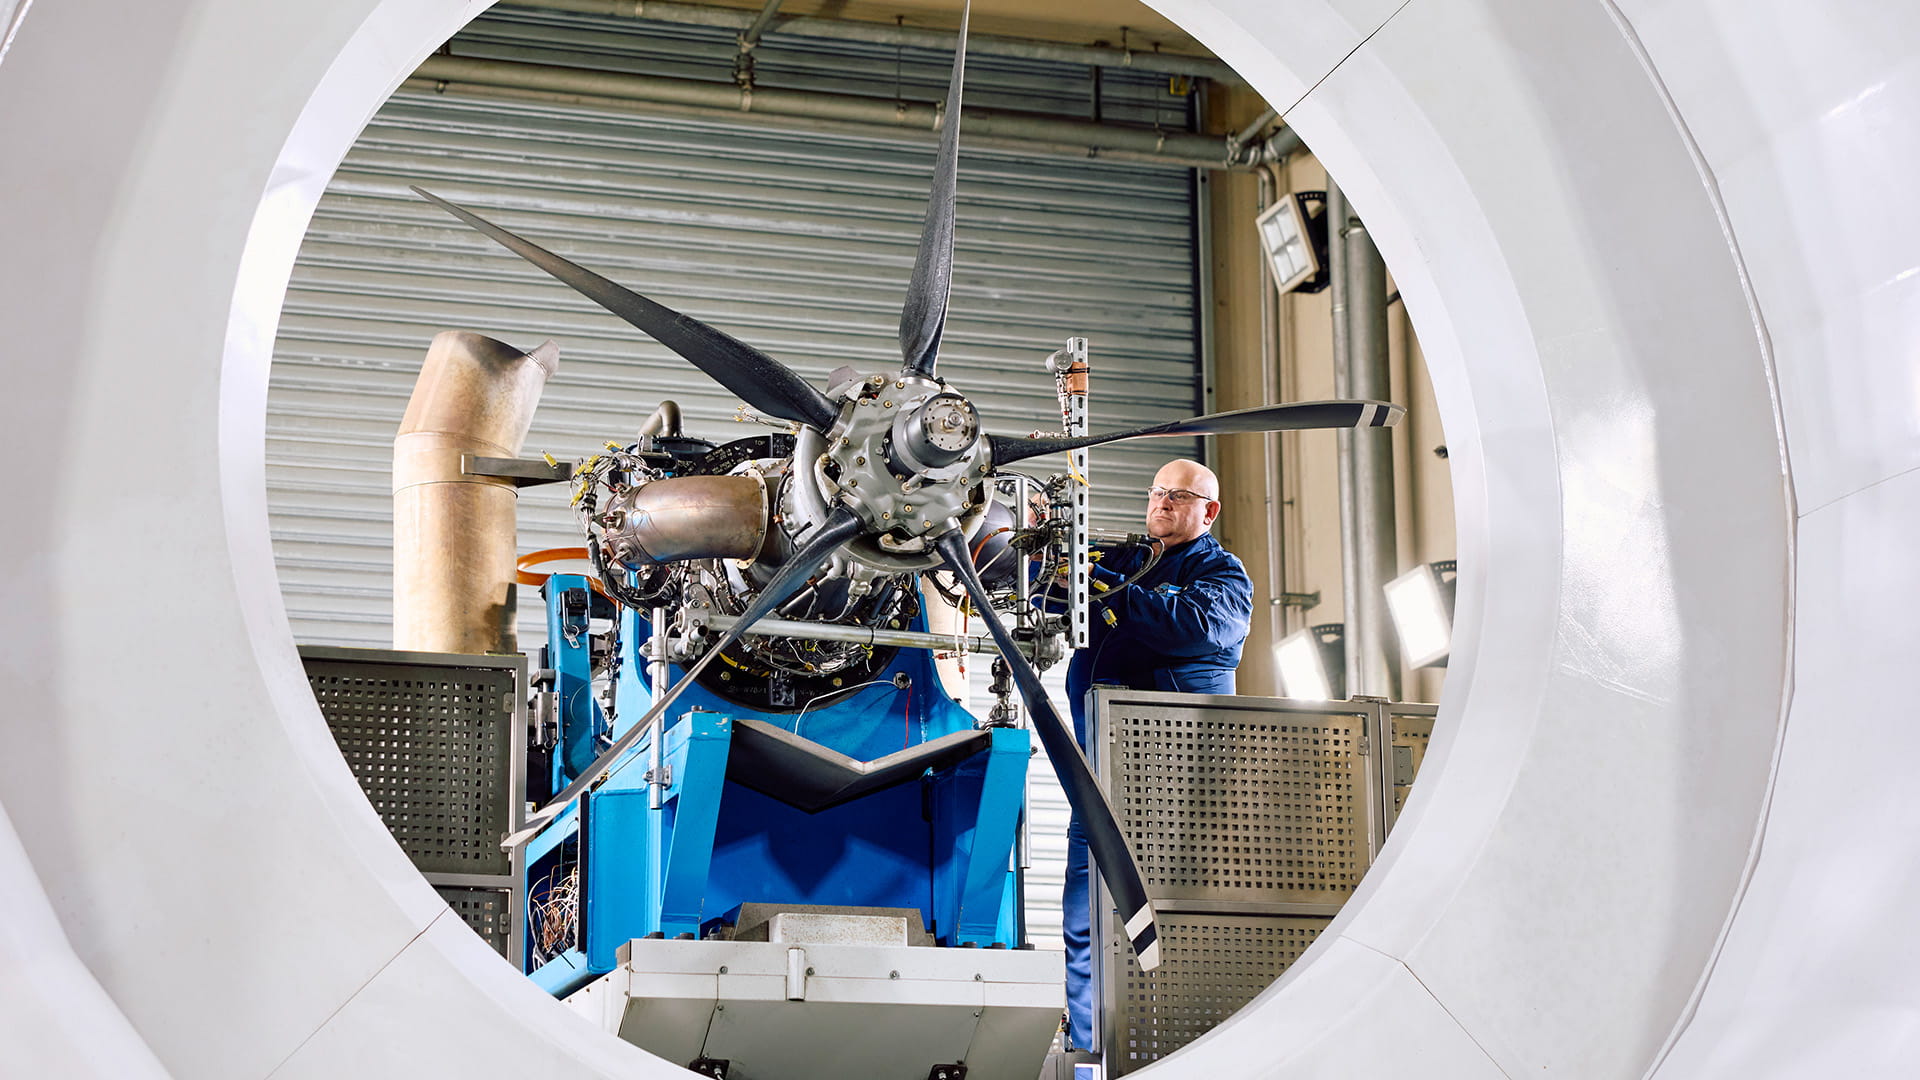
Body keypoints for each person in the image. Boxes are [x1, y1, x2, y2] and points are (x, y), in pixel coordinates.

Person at [1057, 458, 1253, 1051]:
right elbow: (1047, 578)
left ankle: (1180, 1047)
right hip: (1102, 768)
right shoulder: (1124, 560)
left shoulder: (1223, 575)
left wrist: (1113, 595)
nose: (1162, 504)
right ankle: (1093, 1049)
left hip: (1176, 773)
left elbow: (1193, 627)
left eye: (1178, 496)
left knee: (1177, 916)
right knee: (1084, 913)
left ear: (1208, 511)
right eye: (1156, 493)